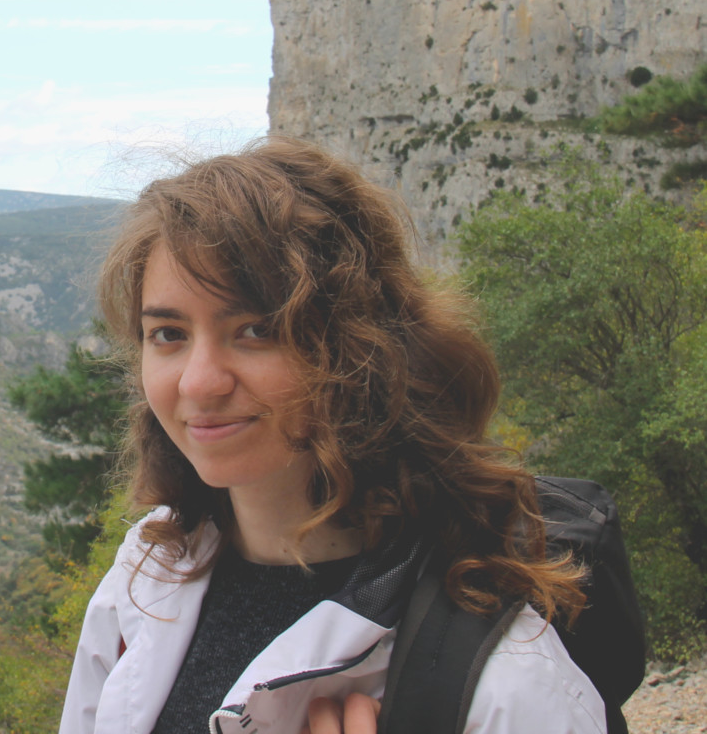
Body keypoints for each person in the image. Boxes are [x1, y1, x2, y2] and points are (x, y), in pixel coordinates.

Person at [59, 138, 605, 734]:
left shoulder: (504, 680)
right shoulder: (146, 574)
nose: (199, 382)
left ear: (358, 348)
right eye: (167, 333)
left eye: (257, 329)